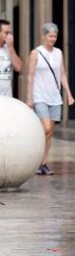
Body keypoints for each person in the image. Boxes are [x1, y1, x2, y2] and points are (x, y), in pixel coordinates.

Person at [26, 23, 75, 175]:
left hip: (55, 97)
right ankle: (35, 157)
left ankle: (43, 163)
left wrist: (69, 94)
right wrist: (29, 97)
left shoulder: (59, 53)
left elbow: (62, 74)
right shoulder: (36, 53)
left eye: (55, 36)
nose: (53, 39)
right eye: (50, 36)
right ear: (44, 36)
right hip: (40, 95)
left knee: (49, 132)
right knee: (46, 128)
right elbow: (30, 75)